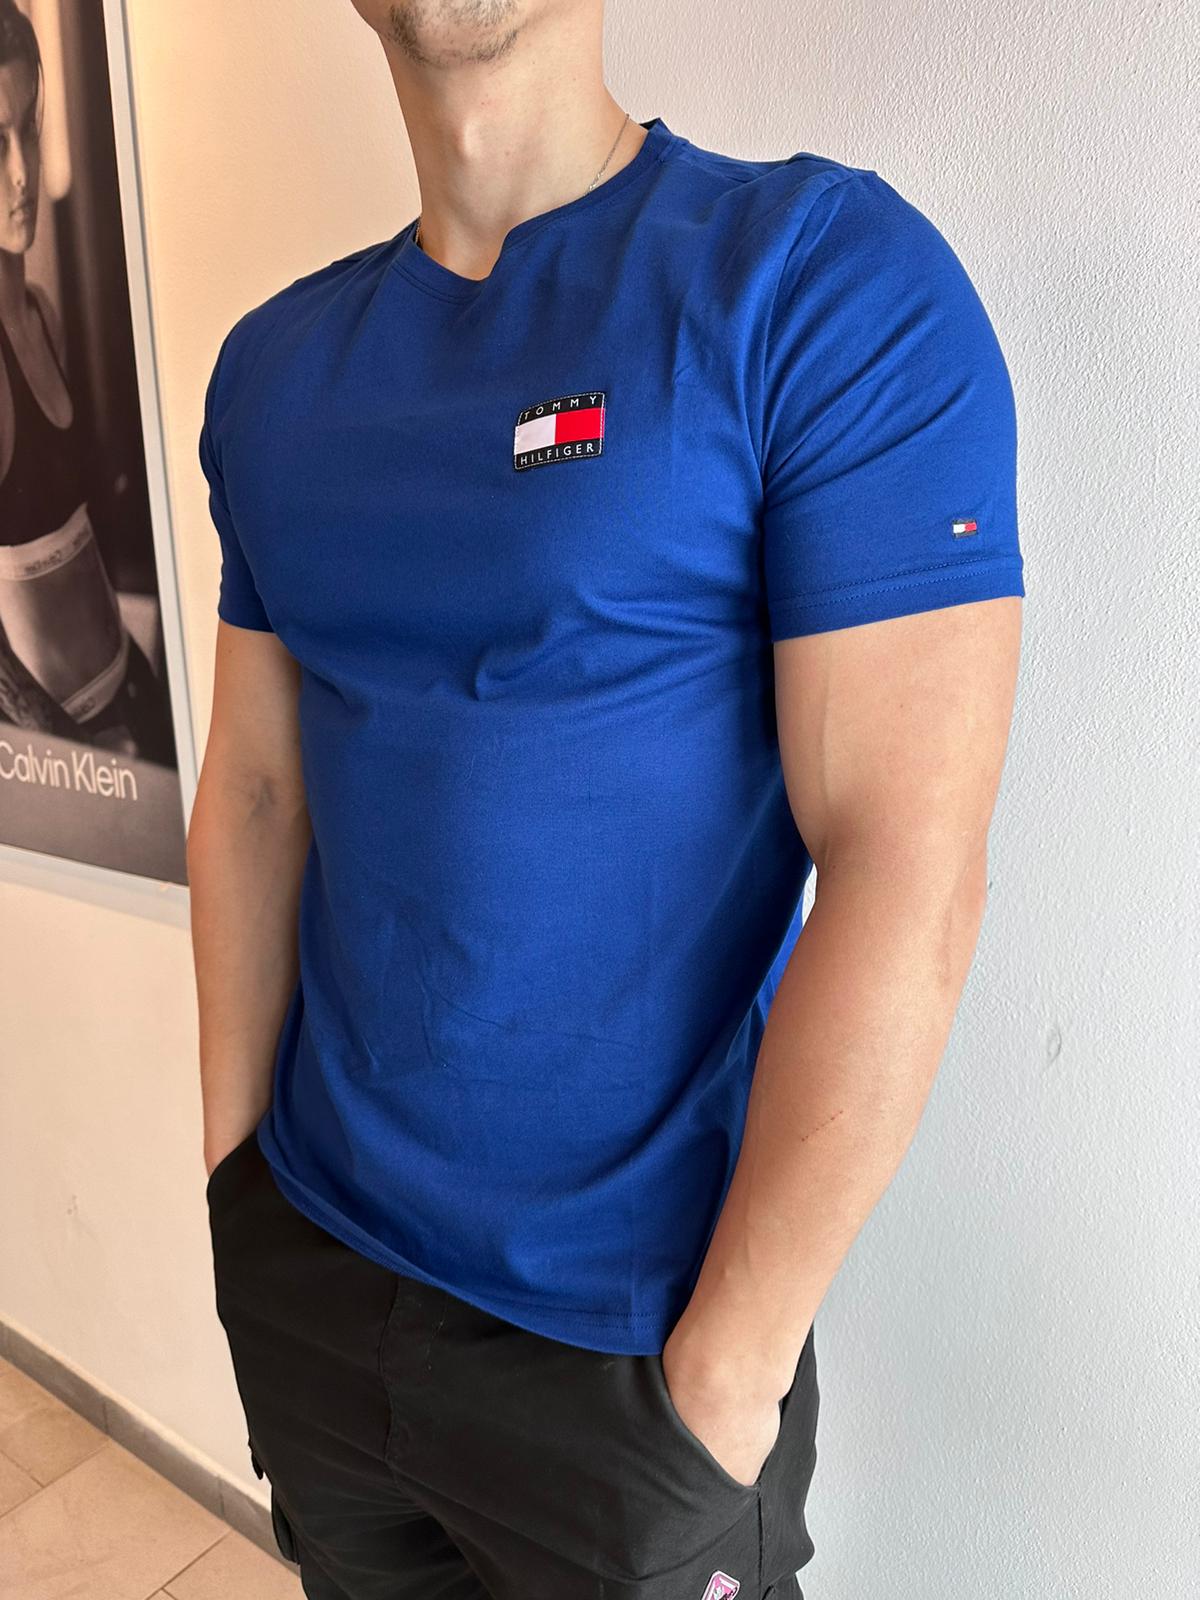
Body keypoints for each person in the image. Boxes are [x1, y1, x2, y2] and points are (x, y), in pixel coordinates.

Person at [190, 2, 1024, 1596]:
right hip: (317, 1272)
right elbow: (255, 792)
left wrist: (727, 1379)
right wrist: (236, 1190)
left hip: (634, 1359)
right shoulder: (275, 373)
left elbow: (908, 860)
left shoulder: (816, 280)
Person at [0, 0, 175, 764]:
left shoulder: (41, 313)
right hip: (70, 745)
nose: (21, 172)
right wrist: (81, 755)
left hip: (127, 686)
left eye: (29, 129)